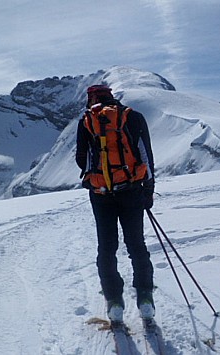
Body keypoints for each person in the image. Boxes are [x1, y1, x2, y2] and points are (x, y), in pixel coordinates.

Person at [75, 85, 157, 323]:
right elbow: (146, 156)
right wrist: (148, 191)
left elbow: (82, 159)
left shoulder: (87, 121)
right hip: (131, 191)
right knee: (136, 245)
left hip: (101, 194)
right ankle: (145, 299)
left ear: (92, 98)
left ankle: (114, 302)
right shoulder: (132, 117)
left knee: (107, 247)